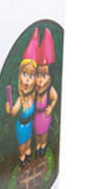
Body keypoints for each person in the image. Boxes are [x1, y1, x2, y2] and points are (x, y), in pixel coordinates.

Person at [6, 28, 39, 167]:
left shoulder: (33, 95)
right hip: (21, 125)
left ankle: (28, 154)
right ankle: (22, 158)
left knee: (29, 142)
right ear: (20, 75)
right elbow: (14, 112)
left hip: (29, 124)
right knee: (22, 144)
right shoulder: (20, 99)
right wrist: (9, 107)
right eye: (24, 74)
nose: (27, 80)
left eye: (31, 76)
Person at [34, 28, 58, 157]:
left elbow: (55, 97)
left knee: (43, 133)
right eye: (38, 75)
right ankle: (38, 145)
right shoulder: (34, 91)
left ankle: (43, 145)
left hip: (45, 116)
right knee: (37, 133)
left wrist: (51, 107)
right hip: (36, 117)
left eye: (44, 76)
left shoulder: (49, 91)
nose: (40, 80)